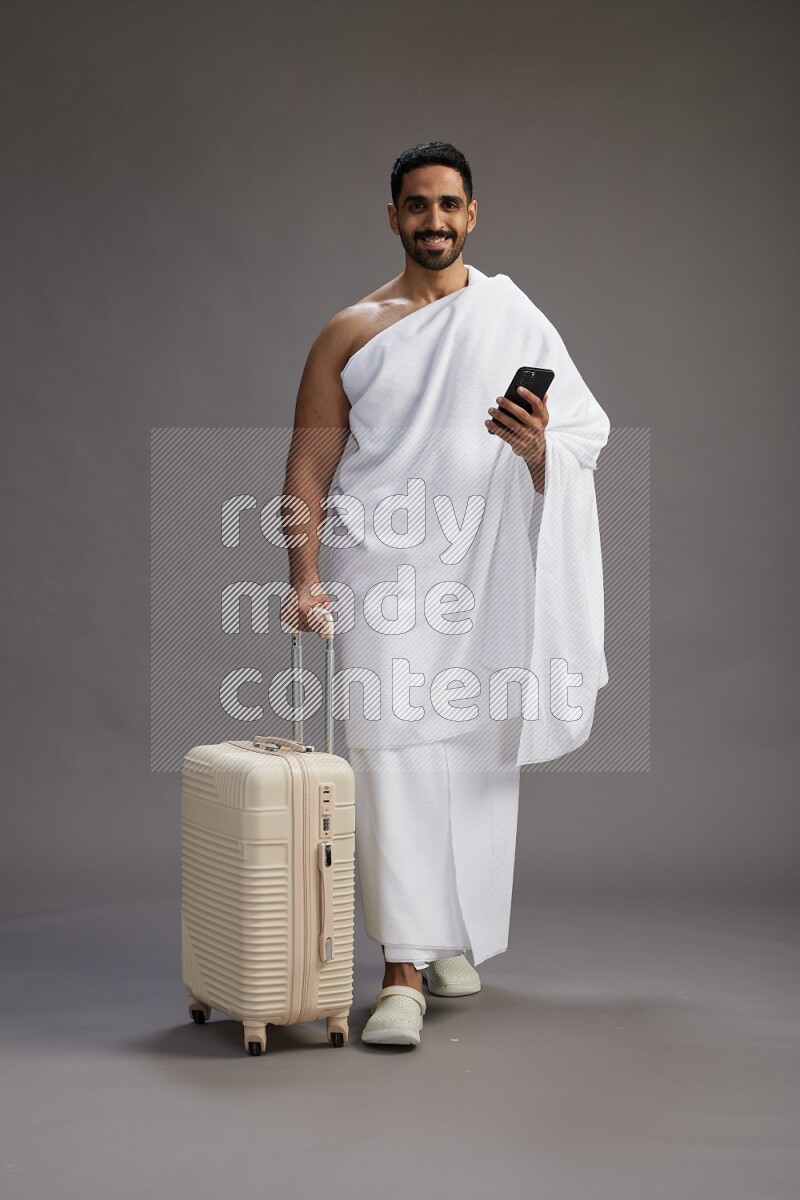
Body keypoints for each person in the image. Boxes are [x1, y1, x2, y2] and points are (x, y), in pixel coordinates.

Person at [280, 142, 610, 1047]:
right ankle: (399, 969)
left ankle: (449, 934)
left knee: (473, 750)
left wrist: (539, 449)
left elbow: (582, 434)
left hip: (486, 567)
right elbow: (307, 469)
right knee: (391, 756)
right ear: (393, 216)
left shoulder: (513, 317)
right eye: (417, 206)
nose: (434, 221)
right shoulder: (350, 330)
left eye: (450, 206)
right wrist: (304, 580)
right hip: (382, 574)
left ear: (473, 215)